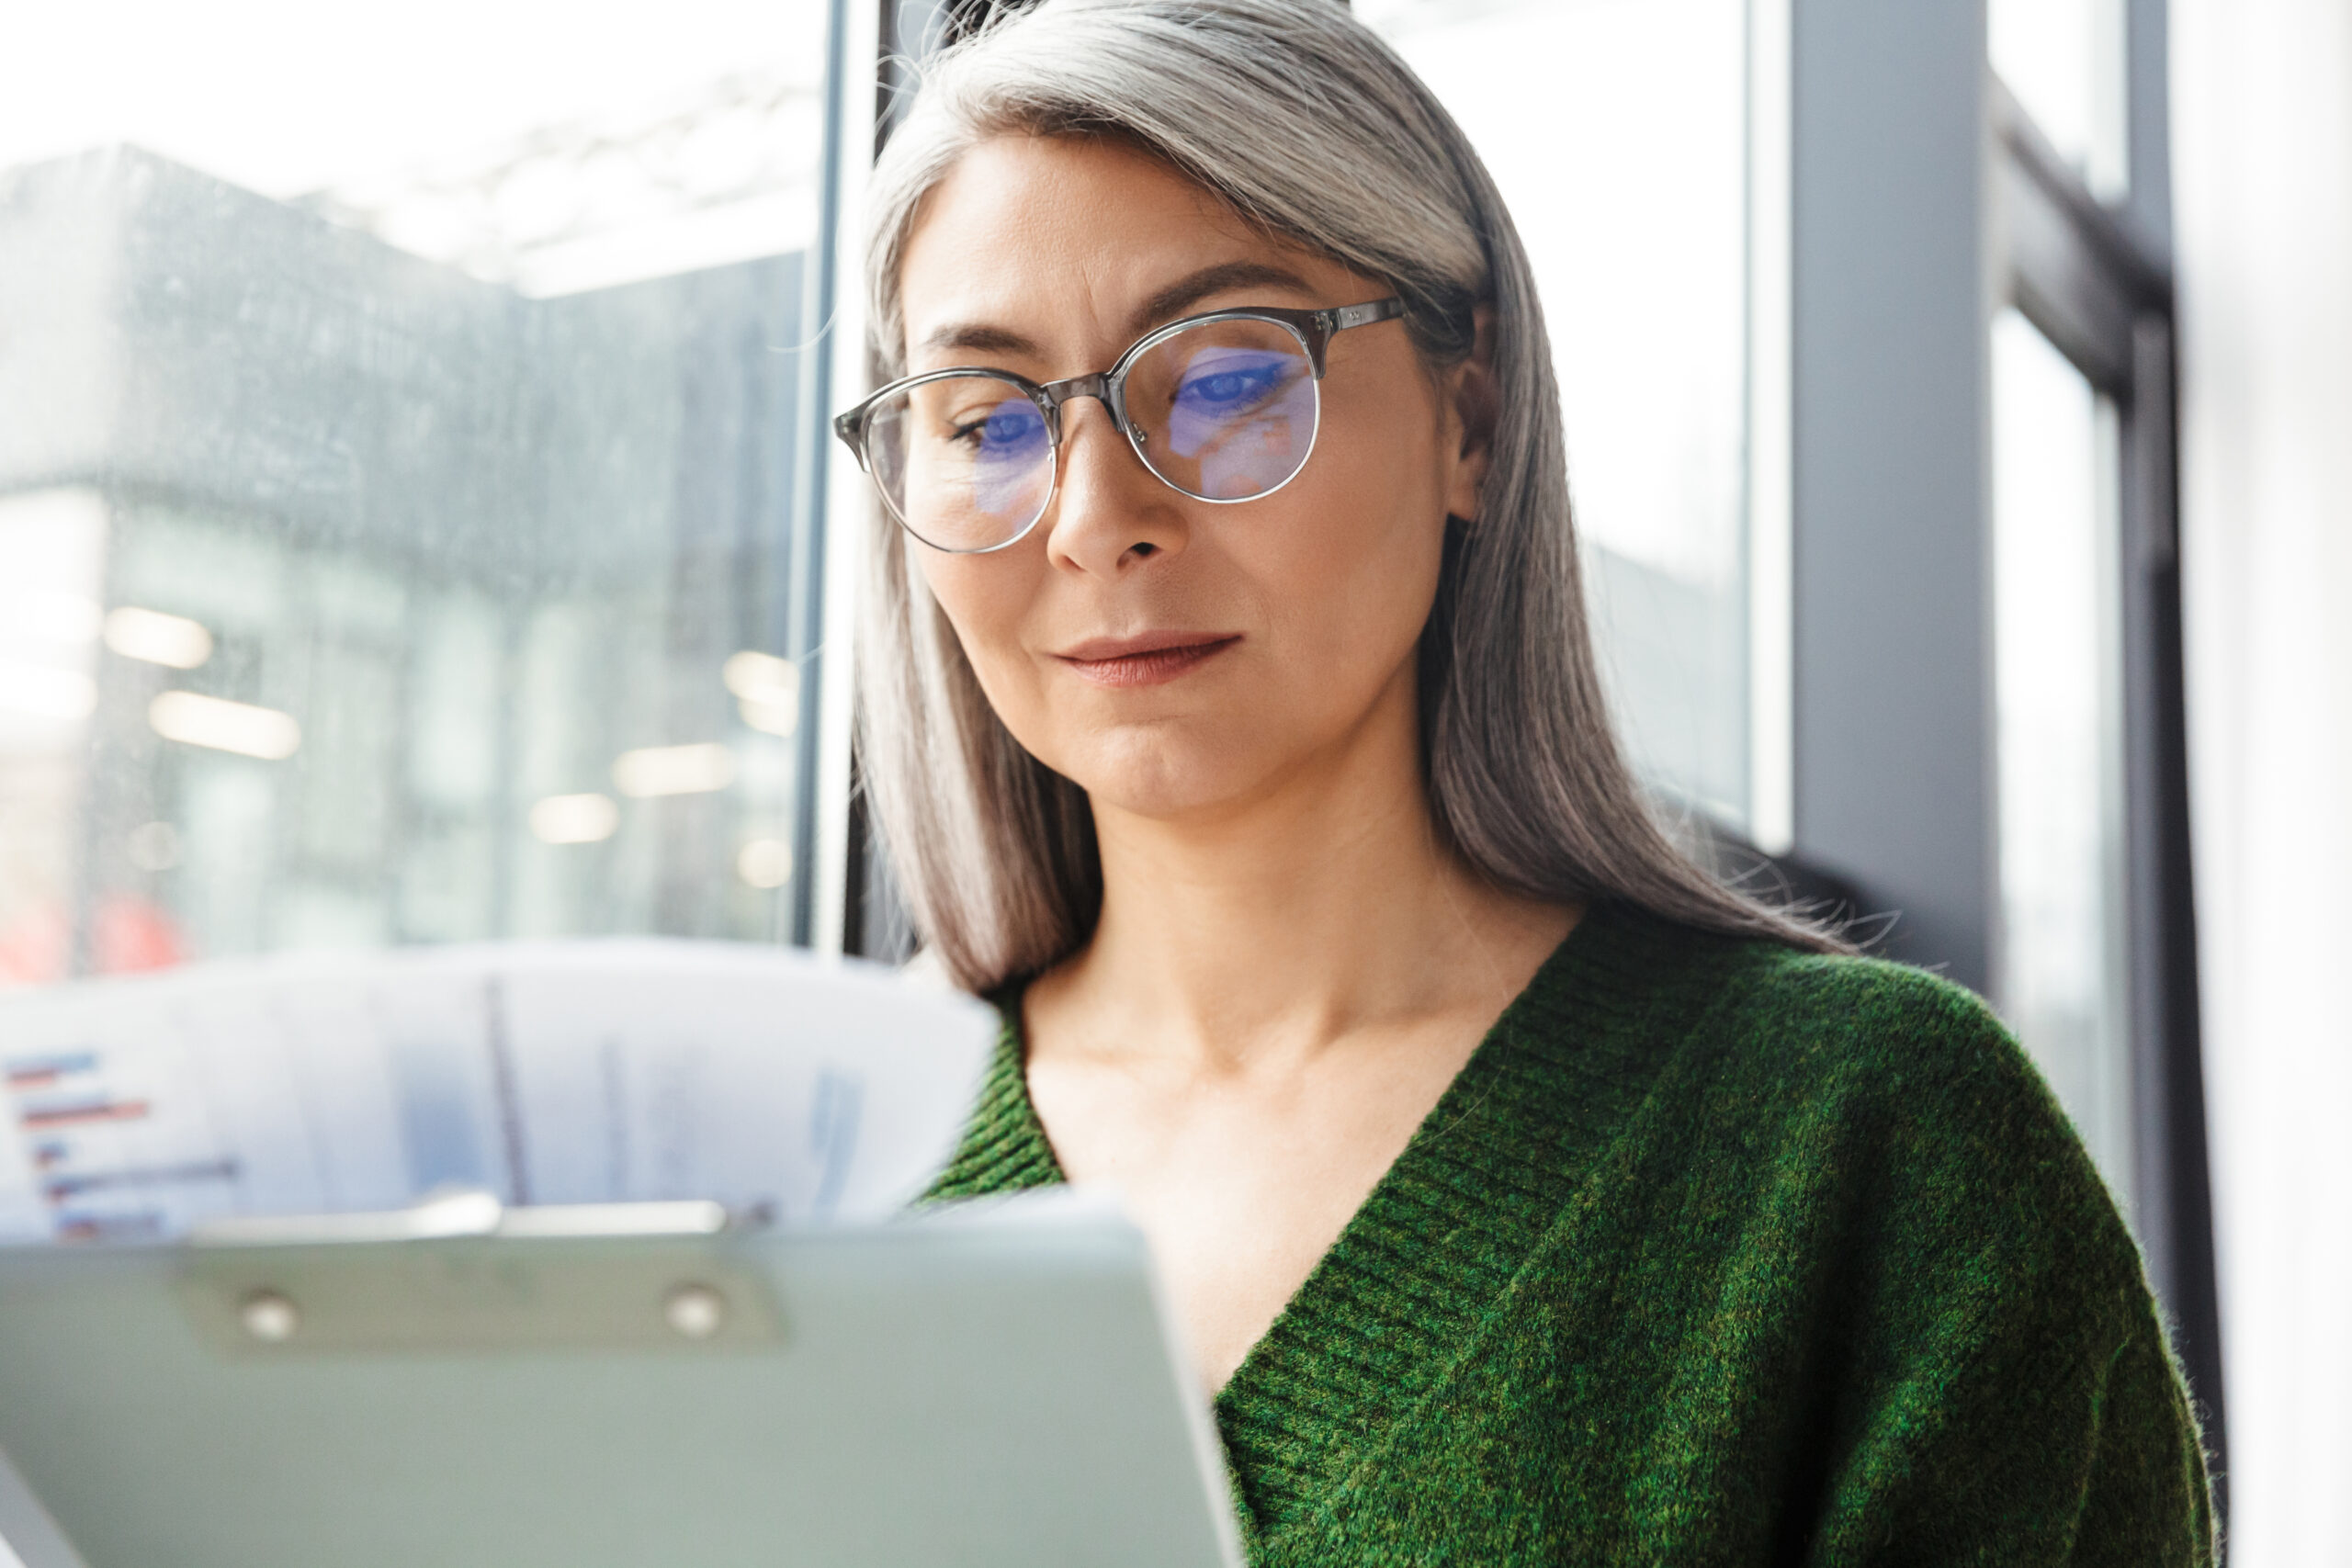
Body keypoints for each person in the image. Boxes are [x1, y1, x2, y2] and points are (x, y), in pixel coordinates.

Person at [832, 0, 2216, 1559]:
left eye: (1223, 382)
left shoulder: (1871, 1150)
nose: (1093, 517)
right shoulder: (820, 1196)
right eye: (986, 421)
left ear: (1467, 419)